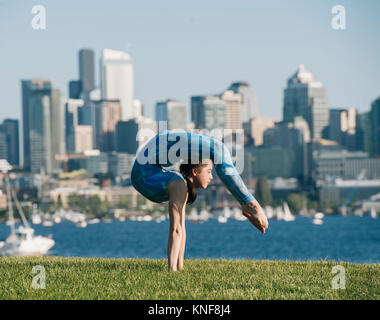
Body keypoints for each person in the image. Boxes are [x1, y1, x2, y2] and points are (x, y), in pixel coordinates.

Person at [131, 130, 268, 272]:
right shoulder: (177, 183)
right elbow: (175, 230)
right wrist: (171, 270)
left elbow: (181, 230)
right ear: (195, 171)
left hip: (147, 168)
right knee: (219, 149)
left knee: (218, 149)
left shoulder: (178, 183)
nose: (211, 177)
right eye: (208, 171)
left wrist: (179, 268)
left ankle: (178, 266)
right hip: (144, 171)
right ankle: (250, 203)